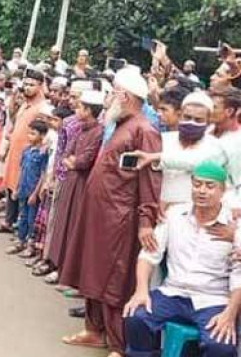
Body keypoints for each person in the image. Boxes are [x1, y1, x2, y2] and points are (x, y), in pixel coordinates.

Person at [61, 67, 162, 357]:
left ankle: (118, 345)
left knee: (114, 280)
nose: (108, 99)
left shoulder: (145, 130)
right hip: (99, 214)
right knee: (91, 272)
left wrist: (145, 221)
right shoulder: (121, 124)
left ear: (125, 96)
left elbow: (149, 180)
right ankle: (93, 331)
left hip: (120, 219)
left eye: (113, 92)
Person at [123, 161, 240, 357]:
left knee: (221, 345)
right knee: (136, 316)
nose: (202, 191)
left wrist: (230, 313)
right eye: (197, 184)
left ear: (223, 190)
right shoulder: (174, 215)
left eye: (210, 186)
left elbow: (239, 275)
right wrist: (141, 290)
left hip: (213, 300)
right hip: (173, 293)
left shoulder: (234, 226)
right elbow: (149, 255)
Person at [46, 90, 104, 277]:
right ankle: (55, 264)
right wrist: (71, 161)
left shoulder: (98, 132)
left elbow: (84, 161)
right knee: (62, 223)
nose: (76, 110)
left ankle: (65, 270)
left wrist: (73, 161)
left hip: (82, 184)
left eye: (79, 107)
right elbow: (66, 155)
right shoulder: (80, 129)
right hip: (70, 180)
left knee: (73, 226)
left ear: (88, 111)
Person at [0, 68, 47, 234]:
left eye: (32, 85)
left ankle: (20, 229)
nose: (28, 87)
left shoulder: (42, 108)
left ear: (41, 86)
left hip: (30, 157)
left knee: (22, 189)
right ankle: (9, 221)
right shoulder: (25, 104)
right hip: (15, 153)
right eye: (26, 84)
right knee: (11, 185)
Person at [7, 120, 50, 256]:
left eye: (33, 133)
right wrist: (16, 188)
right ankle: (21, 241)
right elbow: (21, 170)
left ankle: (30, 245)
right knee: (23, 216)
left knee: (32, 219)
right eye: (29, 133)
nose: (29, 136)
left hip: (33, 191)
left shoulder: (43, 153)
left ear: (42, 135)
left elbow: (43, 174)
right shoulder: (26, 150)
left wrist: (35, 193)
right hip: (23, 189)